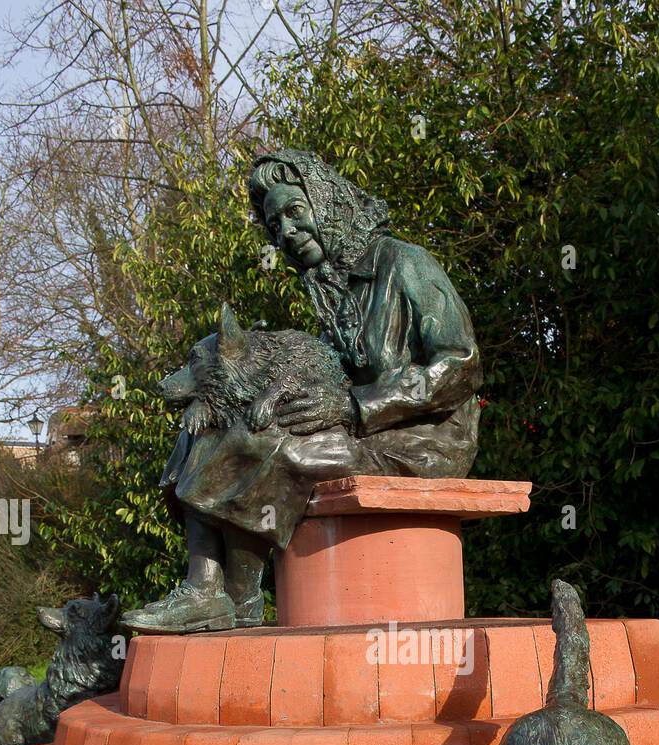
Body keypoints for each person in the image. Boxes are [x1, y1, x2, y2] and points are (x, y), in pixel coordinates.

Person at [124, 148, 482, 634]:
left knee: (265, 441)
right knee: (217, 423)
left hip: (423, 437)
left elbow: (460, 363)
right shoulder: (330, 288)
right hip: (358, 425)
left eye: (295, 212)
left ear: (328, 201)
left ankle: (230, 598)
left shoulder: (404, 263)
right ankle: (207, 590)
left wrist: (356, 405)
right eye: (275, 225)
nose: (286, 232)